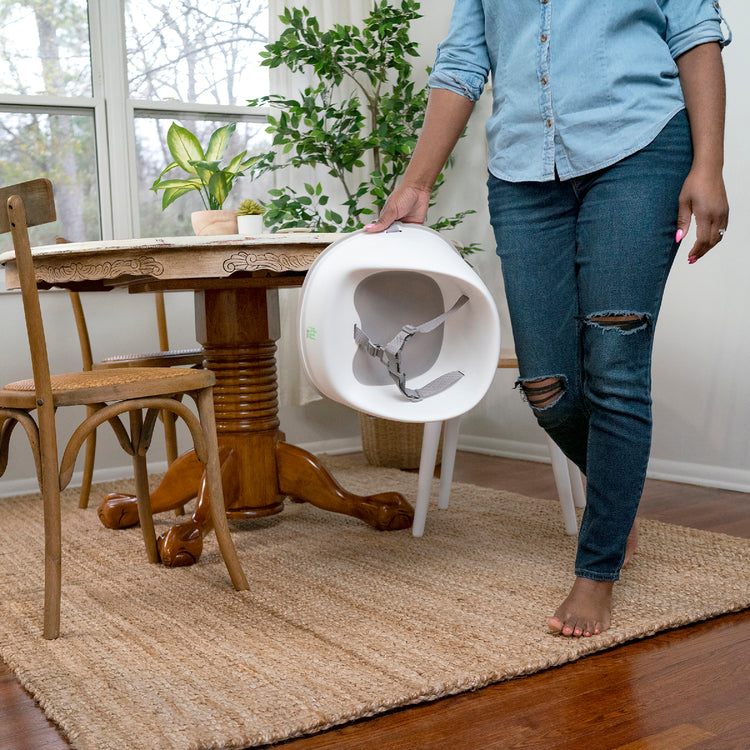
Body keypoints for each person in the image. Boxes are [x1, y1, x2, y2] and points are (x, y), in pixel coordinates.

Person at [365, 0, 731, 638]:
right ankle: (616, 501)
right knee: (548, 388)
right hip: (523, 169)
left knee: (614, 363)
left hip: (640, 149)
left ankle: (597, 568)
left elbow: (696, 35)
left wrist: (710, 165)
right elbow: (461, 63)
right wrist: (416, 182)